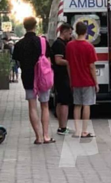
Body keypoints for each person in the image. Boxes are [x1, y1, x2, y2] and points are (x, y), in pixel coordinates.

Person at [12, 17, 55, 145]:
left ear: (24, 26)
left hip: (28, 78)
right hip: (43, 78)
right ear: (35, 26)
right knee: (45, 105)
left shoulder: (19, 44)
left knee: (32, 106)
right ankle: (46, 135)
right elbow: (48, 60)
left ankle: (38, 137)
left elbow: (18, 62)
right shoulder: (42, 42)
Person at [66, 21, 99, 138]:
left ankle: (77, 131)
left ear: (75, 31)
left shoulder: (69, 46)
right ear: (86, 32)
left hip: (76, 80)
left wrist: (71, 80)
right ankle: (85, 131)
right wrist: (96, 82)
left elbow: (68, 65)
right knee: (86, 105)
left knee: (77, 105)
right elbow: (91, 66)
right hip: (87, 81)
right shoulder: (89, 47)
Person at [52, 23, 74, 135]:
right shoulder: (59, 44)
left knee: (60, 101)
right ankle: (63, 128)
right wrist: (70, 62)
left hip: (60, 76)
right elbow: (58, 60)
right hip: (62, 76)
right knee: (64, 102)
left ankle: (61, 126)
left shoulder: (61, 43)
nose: (71, 36)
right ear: (64, 31)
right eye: (69, 33)